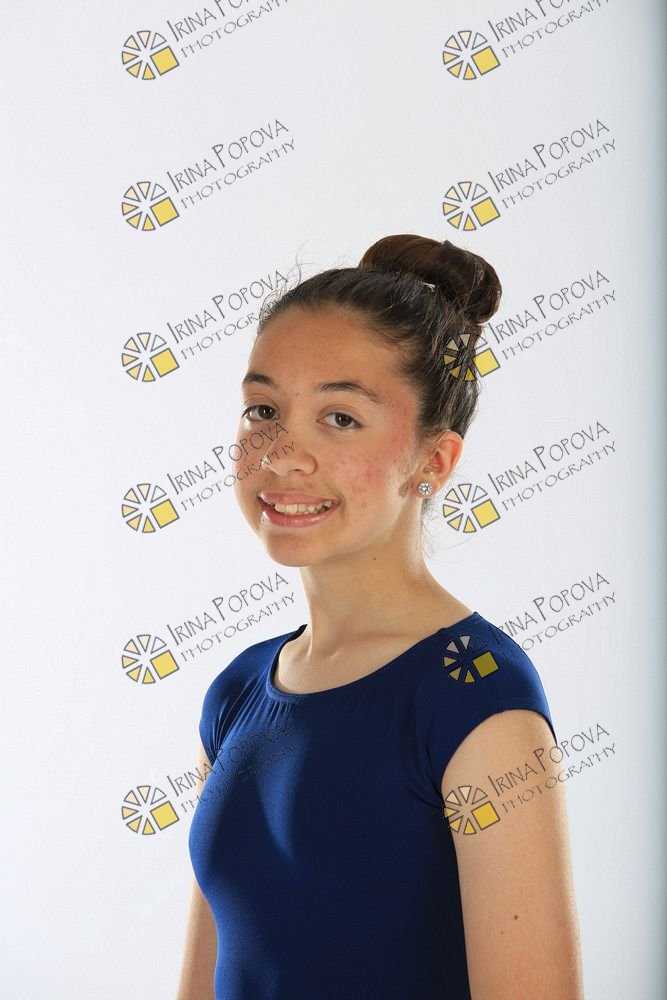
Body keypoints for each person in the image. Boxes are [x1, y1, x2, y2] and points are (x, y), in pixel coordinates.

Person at [178, 235, 585, 999]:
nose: (282, 453)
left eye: (340, 417)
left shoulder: (473, 698)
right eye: (263, 409)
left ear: (433, 462)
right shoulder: (235, 693)